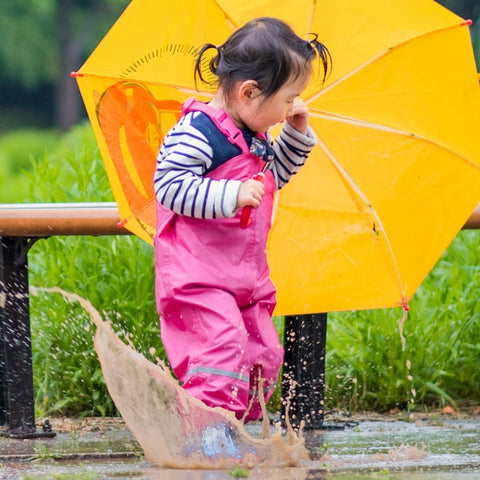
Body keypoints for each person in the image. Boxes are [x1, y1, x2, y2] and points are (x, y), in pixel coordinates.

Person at [154, 17, 331, 424]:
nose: (292, 107)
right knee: (221, 347)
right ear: (248, 92)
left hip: (245, 277)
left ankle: (240, 429)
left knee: (262, 355)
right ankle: (207, 434)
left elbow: (272, 181)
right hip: (198, 277)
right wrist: (230, 195)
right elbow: (168, 186)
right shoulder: (197, 132)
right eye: (289, 99)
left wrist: (294, 136)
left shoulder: (254, 133)